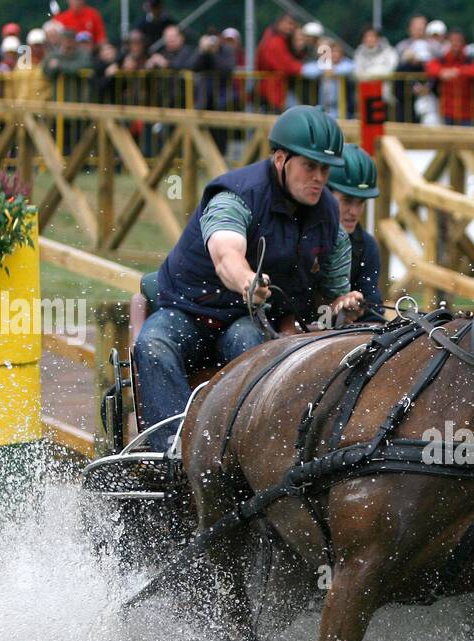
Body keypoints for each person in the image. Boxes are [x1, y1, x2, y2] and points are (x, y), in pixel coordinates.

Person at [134, 107, 361, 449]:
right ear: (281, 160)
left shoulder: (329, 217)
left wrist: (341, 304)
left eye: (325, 169)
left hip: (247, 321)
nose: (319, 177)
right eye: (309, 166)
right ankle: (172, 452)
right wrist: (246, 281)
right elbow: (227, 254)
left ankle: (247, 450)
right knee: (152, 343)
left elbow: (332, 294)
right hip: (186, 312)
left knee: (253, 347)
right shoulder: (237, 195)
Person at [328, 145, 384, 324]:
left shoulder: (367, 246)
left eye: (361, 202)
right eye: (347, 201)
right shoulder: (299, 235)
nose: (354, 211)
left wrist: (357, 309)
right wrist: (332, 310)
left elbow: (374, 318)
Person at [426, 29, 474, 126]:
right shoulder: (442, 59)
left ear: (463, 43)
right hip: (447, 109)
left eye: (458, 40)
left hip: (466, 110)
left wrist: (457, 71)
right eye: (453, 41)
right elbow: (430, 67)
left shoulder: (469, 59)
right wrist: (441, 72)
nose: (456, 44)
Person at [255, 12, 302, 110]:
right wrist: (305, 68)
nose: (291, 27)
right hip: (272, 91)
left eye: (293, 24)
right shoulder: (275, 41)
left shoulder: (273, 37)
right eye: (289, 23)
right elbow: (285, 65)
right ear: (279, 23)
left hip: (273, 89)